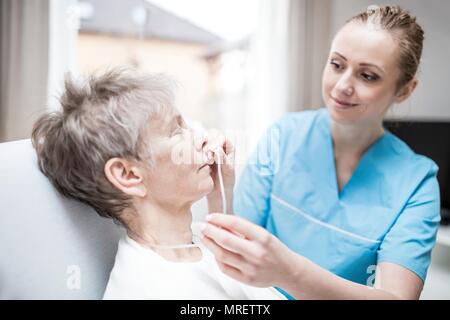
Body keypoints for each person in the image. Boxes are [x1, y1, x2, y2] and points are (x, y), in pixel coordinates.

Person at [202, 5, 441, 300]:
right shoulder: (284, 136)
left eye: (367, 76)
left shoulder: (417, 183)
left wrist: (289, 273)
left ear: (404, 90)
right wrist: (220, 190)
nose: (342, 86)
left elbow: (397, 297)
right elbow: (236, 252)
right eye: (337, 65)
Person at [31, 68, 284, 300]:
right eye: (175, 132)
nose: (201, 139)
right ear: (128, 175)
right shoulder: (142, 288)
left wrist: (221, 196)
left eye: (187, 126)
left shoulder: (199, 240)